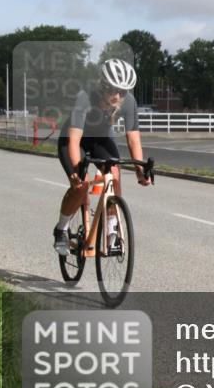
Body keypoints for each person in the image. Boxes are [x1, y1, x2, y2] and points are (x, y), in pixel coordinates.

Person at [53, 59, 152, 254]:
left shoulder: (129, 102)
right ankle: (61, 229)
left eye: (122, 92)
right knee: (81, 185)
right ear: (102, 85)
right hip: (75, 139)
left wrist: (141, 170)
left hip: (100, 139)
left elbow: (133, 139)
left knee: (114, 175)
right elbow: (73, 141)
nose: (117, 96)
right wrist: (76, 171)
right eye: (112, 90)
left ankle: (112, 229)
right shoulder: (85, 98)